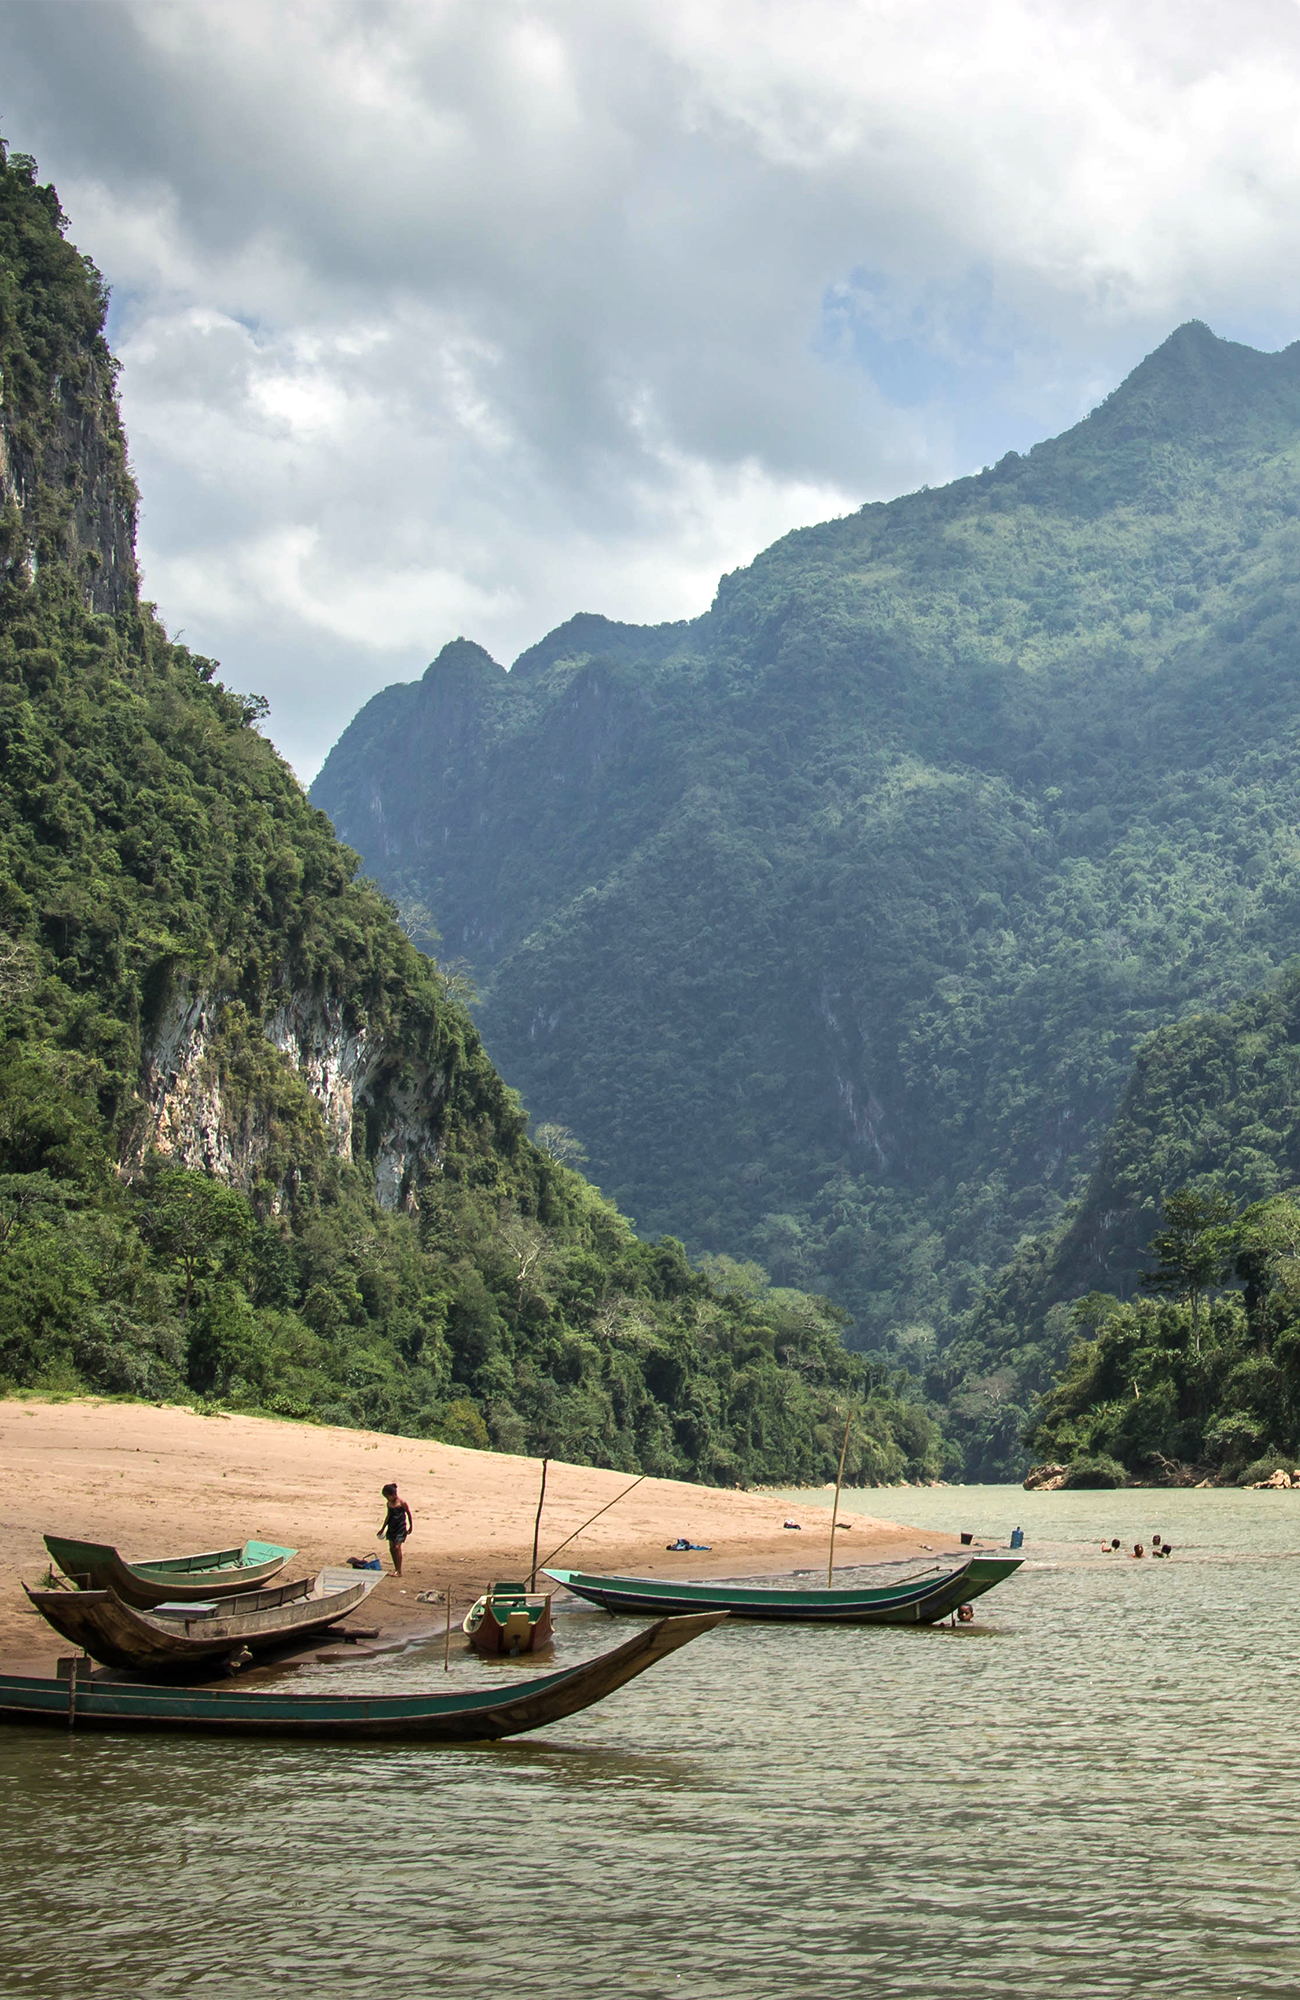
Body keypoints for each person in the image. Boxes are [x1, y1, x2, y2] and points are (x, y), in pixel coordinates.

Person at [377, 1482, 413, 1575]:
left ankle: (399, 1571)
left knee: (397, 1547)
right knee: (392, 1548)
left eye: (387, 1496)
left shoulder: (402, 1503)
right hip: (391, 1527)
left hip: (400, 1527)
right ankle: (396, 1568)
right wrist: (382, 1528)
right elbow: (388, 1516)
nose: (387, 1498)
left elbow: (409, 1514)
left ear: (393, 1494)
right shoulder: (389, 1504)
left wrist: (410, 1527)